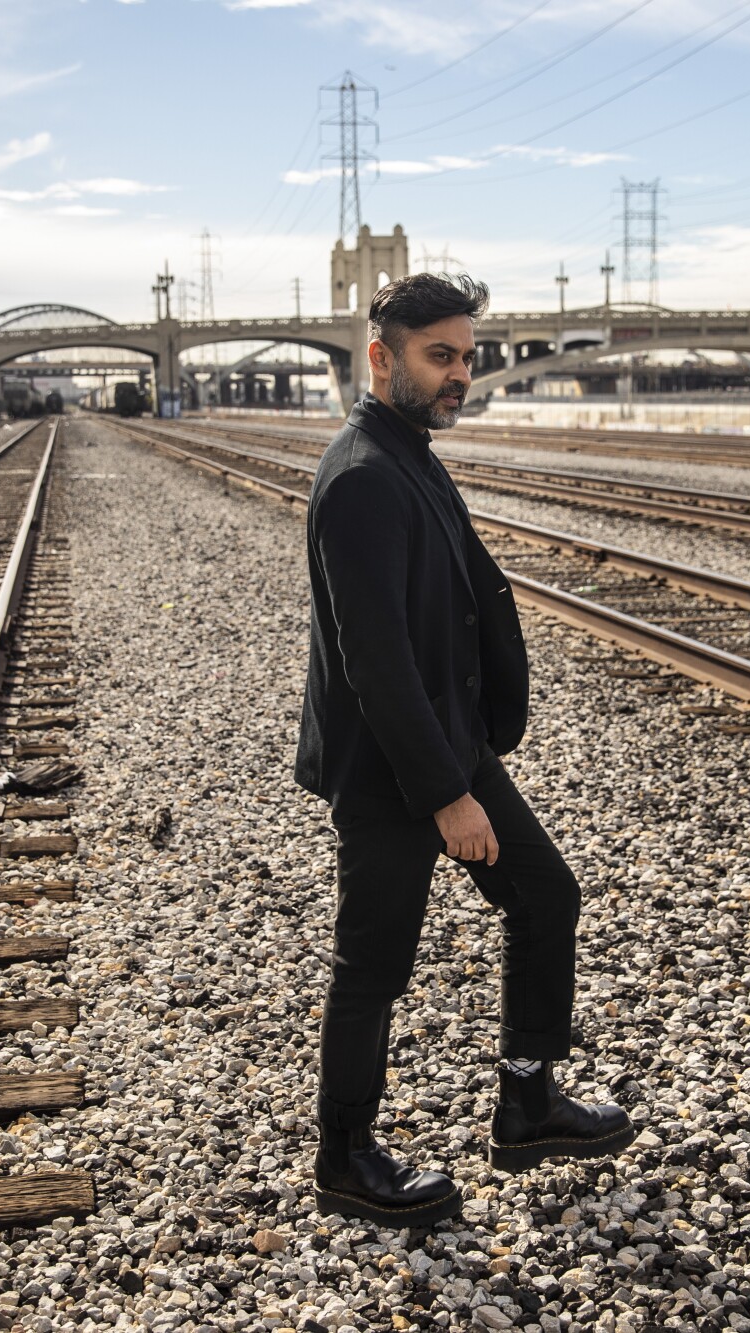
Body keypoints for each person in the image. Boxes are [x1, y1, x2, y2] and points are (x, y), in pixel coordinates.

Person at [295, 272, 636, 1227]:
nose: (458, 376)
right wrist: (449, 794)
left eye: (466, 358)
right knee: (374, 964)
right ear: (381, 358)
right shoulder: (364, 475)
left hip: (446, 741)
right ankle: (346, 1155)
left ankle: (526, 1103)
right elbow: (377, 661)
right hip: (394, 767)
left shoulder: (408, 452)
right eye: (438, 357)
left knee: (545, 893)